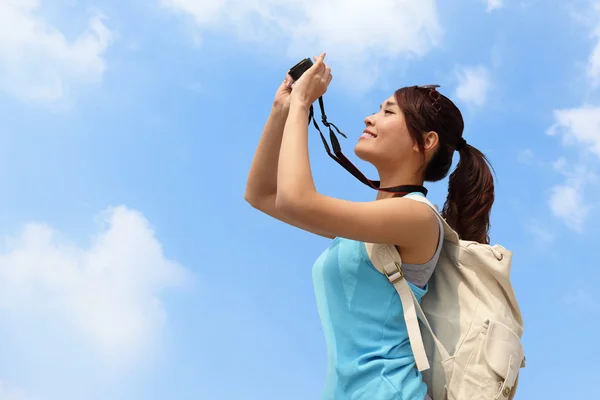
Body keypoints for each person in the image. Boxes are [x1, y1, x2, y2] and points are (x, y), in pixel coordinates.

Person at [244, 53, 495, 400]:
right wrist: (281, 109)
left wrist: (303, 104)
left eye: (388, 112)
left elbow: (295, 199)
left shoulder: (417, 218)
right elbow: (260, 194)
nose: (370, 117)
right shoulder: (369, 229)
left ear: (425, 142)